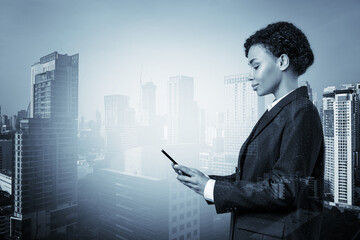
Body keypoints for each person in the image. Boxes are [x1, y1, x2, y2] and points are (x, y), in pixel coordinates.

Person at [173, 21, 324, 240]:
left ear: (282, 61)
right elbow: (255, 178)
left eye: (255, 66)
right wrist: (206, 181)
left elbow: (283, 189)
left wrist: (212, 188)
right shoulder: (281, 111)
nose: (250, 75)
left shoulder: (301, 112)